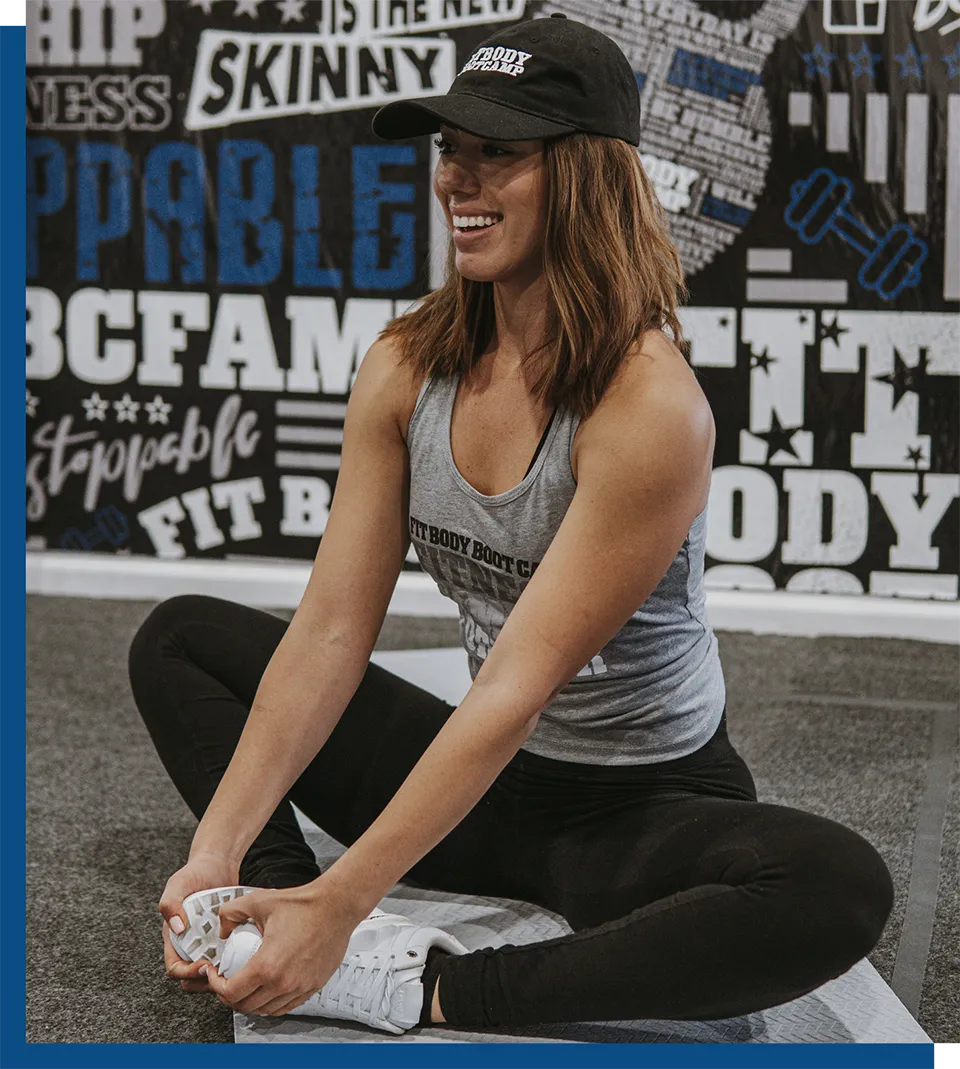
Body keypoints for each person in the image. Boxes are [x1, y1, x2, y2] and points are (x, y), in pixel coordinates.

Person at [129, 14, 893, 1035]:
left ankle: (419, 984)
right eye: (451, 147)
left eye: (498, 151)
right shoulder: (406, 365)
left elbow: (514, 692)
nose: (458, 178)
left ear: (583, 175)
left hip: (637, 807)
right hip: (487, 787)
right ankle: (269, 908)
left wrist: (350, 901)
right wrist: (219, 853)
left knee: (836, 886)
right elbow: (331, 632)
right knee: (179, 636)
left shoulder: (647, 407)